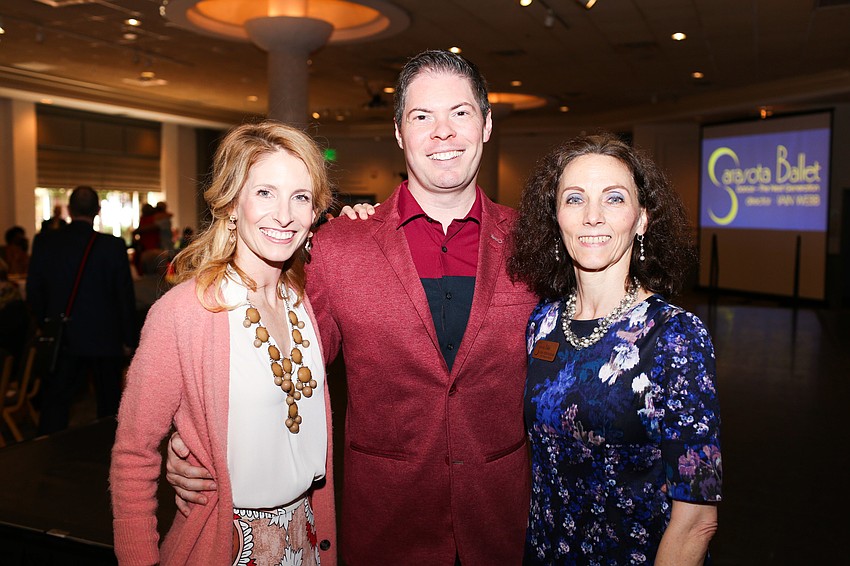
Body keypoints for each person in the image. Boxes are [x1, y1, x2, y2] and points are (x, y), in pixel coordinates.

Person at [166, 50, 539, 565]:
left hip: (502, 523)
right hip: (387, 523)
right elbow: (278, 367)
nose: (443, 132)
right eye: (422, 116)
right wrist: (193, 438)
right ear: (399, 132)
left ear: (487, 124)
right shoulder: (343, 245)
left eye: (460, 112)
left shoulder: (533, 244)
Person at [109, 121, 337, 565]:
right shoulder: (183, 313)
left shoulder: (306, 303)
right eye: (265, 193)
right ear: (233, 204)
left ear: (315, 214)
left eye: (301, 197)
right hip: (224, 547)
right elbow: (133, 456)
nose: (284, 214)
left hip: (307, 541)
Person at [508, 133, 722, 564]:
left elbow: (698, 516)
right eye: (574, 199)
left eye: (614, 199)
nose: (592, 217)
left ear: (642, 219)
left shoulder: (675, 336)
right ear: (555, 218)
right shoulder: (542, 324)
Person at [27, 185, 137, 434]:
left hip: (63, 335)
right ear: (98, 211)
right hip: (104, 337)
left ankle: (48, 460)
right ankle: (105, 461)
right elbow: (124, 297)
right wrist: (129, 339)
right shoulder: (113, 246)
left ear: (68, 209)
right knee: (108, 407)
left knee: (55, 404)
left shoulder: (45, 242)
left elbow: (34, 290)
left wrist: (49, 320)